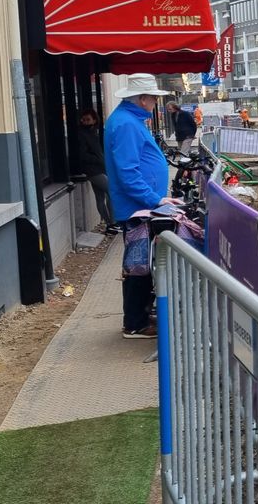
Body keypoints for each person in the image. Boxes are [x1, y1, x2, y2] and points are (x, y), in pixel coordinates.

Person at [106, 74, 181, 339]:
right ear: (143, 99)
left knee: (140, 263)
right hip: (138, 208)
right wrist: (154, 199)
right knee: (139, 265)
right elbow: (128, 172)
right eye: (153, 99)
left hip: (140, 206)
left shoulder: (128, 120)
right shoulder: (127, 124)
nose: (154, 104)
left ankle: (138, 316)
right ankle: (135, 323)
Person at [76, 108, 117, 234]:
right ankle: (113, 222)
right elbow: (82, 154)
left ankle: (109, 224)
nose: (85, 122)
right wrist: (98, 159)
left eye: (88, 119)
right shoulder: (83, 134)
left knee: (100, 197)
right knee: (111, 192)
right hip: (93, 170)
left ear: (94, 120)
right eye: (83, 120)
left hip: (98, 168)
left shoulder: (95, 133)